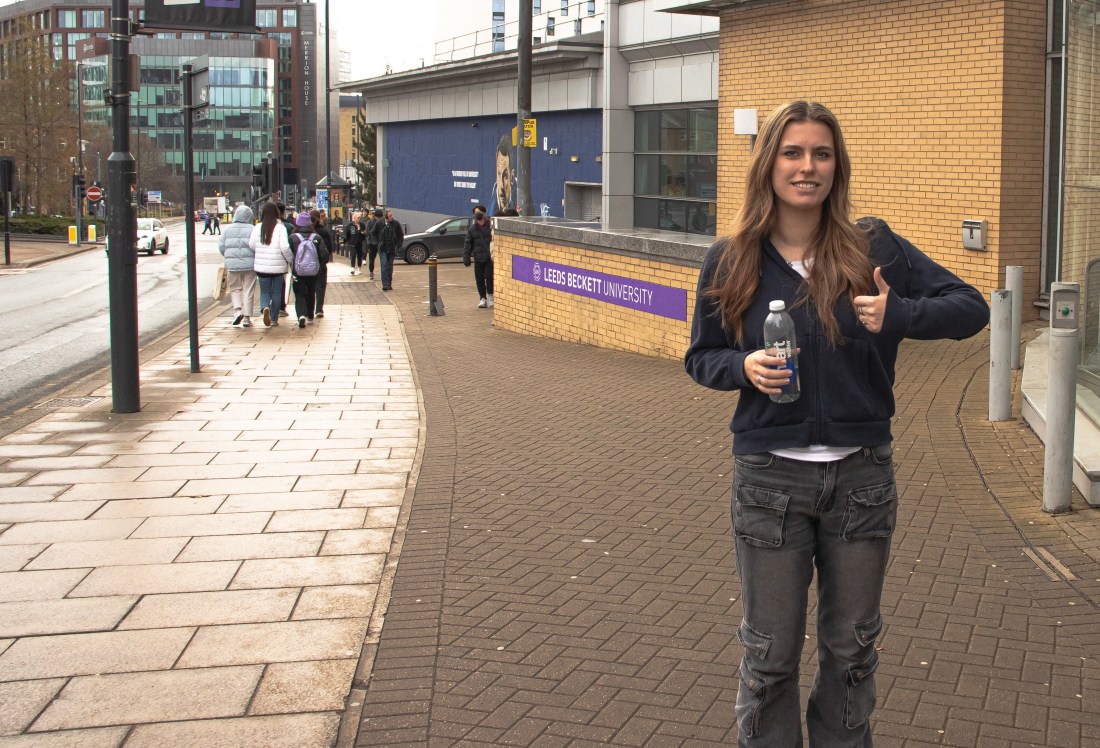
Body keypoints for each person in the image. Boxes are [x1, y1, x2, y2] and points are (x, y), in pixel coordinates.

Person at [683, 101, 989, 746]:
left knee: (851, 654)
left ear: (837, 167)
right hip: (770, 483)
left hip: (861, 481)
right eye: (793, 153)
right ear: (769, 165)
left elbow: (971, 307)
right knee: (769, 658)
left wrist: (900, 313)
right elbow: (701, 357)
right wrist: (744, 369)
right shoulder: (730, 258)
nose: (807, 167)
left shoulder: (872, 248)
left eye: (821, 154)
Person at [249, 201, 293, 328]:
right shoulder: (281, 228)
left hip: (262, 267)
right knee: (277, 292)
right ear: (277, 213)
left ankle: (264, 307)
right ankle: (273, 318)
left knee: (264, 291)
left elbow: (251, 245)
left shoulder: (257, 227)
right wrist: (290, 259)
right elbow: (285, 247)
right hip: (278, 267)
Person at [288, 210, 330, 328]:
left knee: (299, 293)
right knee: (311, 292)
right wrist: (319, 264)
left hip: (298, 271)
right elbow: (325, 255)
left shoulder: (292, 238)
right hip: (313, 271)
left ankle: (301, 315)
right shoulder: (316, 237)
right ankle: (310, 316)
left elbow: (288, 254)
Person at [218, 204, 257, 328]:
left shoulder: (228, 230)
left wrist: (228, 256)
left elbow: (221, 246)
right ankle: (247, 318)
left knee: (235, 289)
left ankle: (237, 311)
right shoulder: (253, 228)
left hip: (232, 265)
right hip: (250, 265)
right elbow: (256, 245)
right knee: (248, 290)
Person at [463, 204, 494, 308]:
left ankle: (490, 296)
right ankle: (482, 298)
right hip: (478, 258)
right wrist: (466, 256)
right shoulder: (472, 229)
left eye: (479, 213)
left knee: (489, 277)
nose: (477, 215)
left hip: (489, 258)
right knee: (479, 279)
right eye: (476, 213)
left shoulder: (491, 226)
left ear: (484, 213)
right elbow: (468, 243)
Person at [373, 209, 403, 291]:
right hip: (382, 248)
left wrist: (399, 244)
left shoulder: (396, 223)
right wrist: (376, 243)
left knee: (390, 266)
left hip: (392, 248)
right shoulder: (379, 223)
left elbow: (400, 234)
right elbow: (373, 233)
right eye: (390, 216)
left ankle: (389, 283)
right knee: (384, 264)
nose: (391, 217)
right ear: (385, 216)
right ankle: (384, 284)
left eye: (391, 215)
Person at [312, 208, 334, 318]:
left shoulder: (306, 231)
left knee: (309, 287)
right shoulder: (324, 231)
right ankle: (319, 309)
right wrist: (324, 259)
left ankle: (309, 309)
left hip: (308, 264)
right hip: (320, 263)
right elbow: (329, 248)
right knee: (320, 286)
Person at [345, 211, 365, 275]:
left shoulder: (362, 225)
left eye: (360, 218)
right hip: (352, 243)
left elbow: (364, 233)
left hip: (360, 242)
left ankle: (359, 268)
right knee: (353, 255)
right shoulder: (351, 225)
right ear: (354, 218)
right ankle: (352, 268)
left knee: (359, 256)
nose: (359, 219)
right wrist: (346, 241)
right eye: (358, 218)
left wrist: (363, 234)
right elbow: (352, 233)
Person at [364, 208, 382, 280]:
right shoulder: (371, 222)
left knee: (379, 258)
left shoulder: (379, 222)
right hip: (372, 243)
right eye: (379, 217)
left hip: (376, 242)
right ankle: (371, 272)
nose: (380, 218)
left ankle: (377, 273)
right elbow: (367, 233)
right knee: (372, 258)